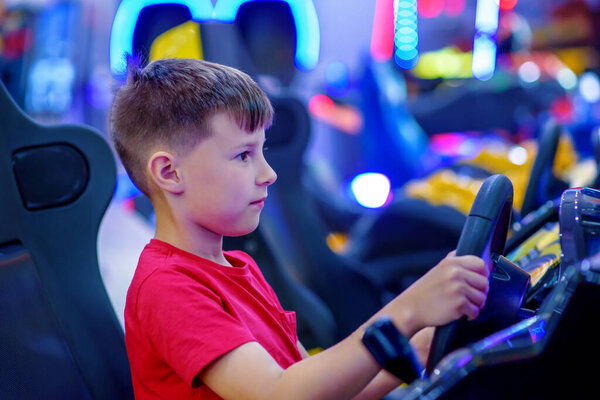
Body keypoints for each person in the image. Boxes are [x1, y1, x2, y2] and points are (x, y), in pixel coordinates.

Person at [110, 58, 489, 400]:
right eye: (244, 155)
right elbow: (279, 395)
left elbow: (312, 387)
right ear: (169, 172)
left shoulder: (240, 268)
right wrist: (406, 311)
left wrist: (419, 345)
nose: (268, 174)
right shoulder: (168, 288)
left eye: (262, 152)